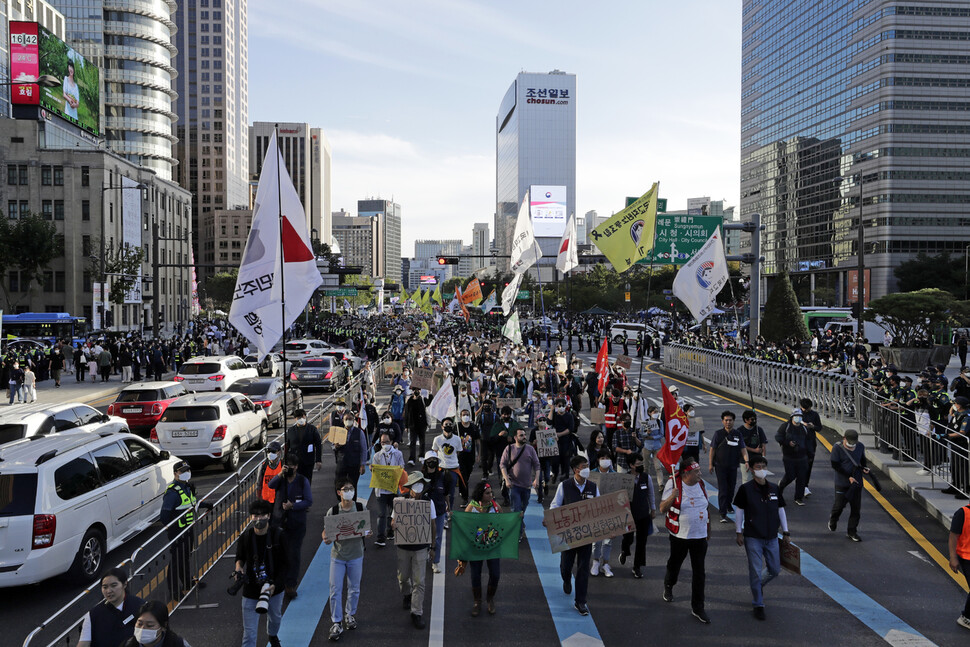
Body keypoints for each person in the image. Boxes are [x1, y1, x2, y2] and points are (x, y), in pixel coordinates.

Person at [732, 455, 791, 620]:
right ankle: (758, 603)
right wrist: (739, 532)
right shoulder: (746, 489)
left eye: (763, 466)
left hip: (772, 537)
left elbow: (781, 509)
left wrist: (785, 532)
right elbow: (739, 510)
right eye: (758, 467)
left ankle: (758, 586)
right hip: (753, 537)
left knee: (774, 569)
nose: (761, 469)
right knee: (756, 572)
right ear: (750, 469)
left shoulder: (774, 488)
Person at [660, 458, 711, 624]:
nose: (700, 474)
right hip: (680, 536)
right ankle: (669, 584)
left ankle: (698, 607)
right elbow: (662, 508)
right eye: (696, 472)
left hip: (699, 537)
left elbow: (706, 508)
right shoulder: (674, 484)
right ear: (686, 474)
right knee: (675, 564)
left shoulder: (701, 484)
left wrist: (708, 530)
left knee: (699, 573)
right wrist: (671, 497)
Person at [548, 455, 599, 616]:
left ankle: (581, 601)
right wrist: (550, 518)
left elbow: (599, 508)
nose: (586, 469)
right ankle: (566, 579)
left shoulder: (593, 487)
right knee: (566, 565)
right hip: (568, 536)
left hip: (586, 535)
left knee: (583, 569)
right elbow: (555, 505)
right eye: (584, 466)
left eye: (587, 466)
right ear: (576, 470)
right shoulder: (565, 486)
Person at [234, 499, 286, 647]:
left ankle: (272, 635)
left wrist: (276, 584)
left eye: (262, 515)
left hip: (274, 589)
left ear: (269, 516)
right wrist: (238, 567)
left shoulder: (278, 535)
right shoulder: (246, 537)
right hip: (251, 589)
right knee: (249, 635)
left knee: (275, 619)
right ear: (251, 517)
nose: (258, 519)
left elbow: (286, 563)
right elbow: (240, 557)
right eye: (255, 516)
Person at [323, 478, 368, 641]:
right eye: (345, 489)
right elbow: (326, 532)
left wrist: (367, 533)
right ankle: (336, 622)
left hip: (356, 555)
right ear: (339, 492)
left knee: (354, 587)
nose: (349, 491)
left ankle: (350, 614)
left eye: (351, 488)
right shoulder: (333, 511)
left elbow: (366, 529)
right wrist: (326, 538)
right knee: (335, 589)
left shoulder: (361, 508)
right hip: (338, 556)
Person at [159, 461, 211, 600]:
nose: (186, 473)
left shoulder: (186, 487)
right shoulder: (172, 492)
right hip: (178, 532)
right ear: (176, 473)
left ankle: (188, 583)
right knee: (176, 561)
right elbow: (164, 516)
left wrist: (206, 505)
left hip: (188, 529)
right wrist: (173, 529)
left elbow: (191, 503)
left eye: (187, 470)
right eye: (182, 471)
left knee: (185, 558)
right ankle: (175, 591)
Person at [393, 471, 437, 629]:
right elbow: (393, 520)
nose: (418, 489)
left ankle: (416, 612)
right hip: (403, 547)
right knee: (403, 577)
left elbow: (432, 525)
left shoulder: (428, 502)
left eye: (420, 485)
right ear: (410, 488)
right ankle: (407, 593)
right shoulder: (400, 502)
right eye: (415, 485)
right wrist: (393, 525)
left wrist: (432, 547)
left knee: (420, 581)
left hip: (420, 548)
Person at [268, 453, 313, 598]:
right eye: (287, 467)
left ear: (297, 467)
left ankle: (290, 584)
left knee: (294, 554)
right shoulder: (281, 480)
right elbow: (270, 485)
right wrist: (280, 474)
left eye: (292, 467)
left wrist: (293, 506)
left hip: (297, 524)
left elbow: (308, 501)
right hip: (279, 522)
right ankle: (278, 582)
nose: (289, 470)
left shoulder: (302, 481)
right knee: (279, 554)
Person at [463, 480, 503, 616]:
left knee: (495, 574)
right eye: (487, 493)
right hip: (476, 549)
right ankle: (477, 601)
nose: (491, 495)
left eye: (491, 492)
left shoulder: (496, 508)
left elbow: (503, 523)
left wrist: (516, 519)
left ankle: (490, 599)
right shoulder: (471, 508)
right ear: (480, 494)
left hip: (492, 547)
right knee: (475, 575)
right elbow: (464, 528)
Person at [77, 568, 144, 647]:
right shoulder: (93, 615)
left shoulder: (141, 606)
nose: (109, 591)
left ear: (125, 584)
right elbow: (84, 643)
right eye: (105, 587)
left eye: (114, 585)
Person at [619, 453, 656, 578]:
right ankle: (625, 551)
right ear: (631, 465)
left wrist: (653, 509)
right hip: (628, 516)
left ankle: (637, 566)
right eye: (638, 464)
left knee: (642, 542)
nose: (640, 466)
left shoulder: (646, 477)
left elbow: (651, 494)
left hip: (643, 515)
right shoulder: (625, 479)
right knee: (628, 539)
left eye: (641, 464)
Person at [500, 427, 540, 542]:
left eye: (524, 435)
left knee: (522, 509)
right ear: (515, 437)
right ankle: (518, 533)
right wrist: (506, 479)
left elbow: (537, 465)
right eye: (521, 435)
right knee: (516, 510)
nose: (524, 437)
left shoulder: (530, 449)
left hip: (527, 486)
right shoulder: (509, 449)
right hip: (514, 486)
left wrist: (536, 479)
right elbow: (502, 465)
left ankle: (520, 524)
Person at [828, 429, 869, 542]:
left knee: (856, 509)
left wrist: (864, 468)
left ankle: (852, 531)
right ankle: (833, 518)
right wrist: (848, 477)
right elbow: (835, 465)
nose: (852, 445)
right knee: (839, 506)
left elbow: (862, 460)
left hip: (856, 483)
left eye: (854, 443)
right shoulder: (837, 448)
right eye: (850, 442)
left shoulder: (860, 446)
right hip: (842, 482)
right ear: (844, 438)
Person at [709, 410, 749, 523]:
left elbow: (743, 449)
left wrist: (747, 461)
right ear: (722, 421)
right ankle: (722, 513)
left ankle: (728, 504)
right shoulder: (718, 434)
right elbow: (713, 449)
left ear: (733, 421)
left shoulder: (737, 434)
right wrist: (710, 464)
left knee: (731, 488)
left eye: (730, 420)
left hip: (733, 466)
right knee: (723, 489)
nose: (728, 422)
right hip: (720, 466)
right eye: (726, 420)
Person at [421, 450, 454, 574]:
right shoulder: (421, 477)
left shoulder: (443, 477)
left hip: (439, 511)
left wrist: (448, 507)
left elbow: (446, 494)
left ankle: (435, 561)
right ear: (425, 462)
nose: (432, 463)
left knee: (438, 537)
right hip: (423, 511)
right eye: (429, 461)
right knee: (423, 536)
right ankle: (423, 558)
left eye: (434, 461)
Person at [372, 430, 405, 547]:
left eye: (386, 442)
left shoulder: (398, 454)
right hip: (381, 489)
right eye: (382, 442)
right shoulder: (376, 456)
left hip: (394, 488)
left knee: (392, 512)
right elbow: (375, 473)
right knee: (381, 513)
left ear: (391, 441)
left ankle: (390, 531)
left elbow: (402, 467)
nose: (384, 444)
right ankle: (380, 538)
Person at [590, 448, 617, 578]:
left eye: (607, 458)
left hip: (610, 511)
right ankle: (595, 562)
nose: (605, 461)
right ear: (598, 460)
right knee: (596, 540)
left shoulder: (615, 475)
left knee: (608, 540)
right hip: (595, 511)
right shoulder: (592, 474)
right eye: (602, 458)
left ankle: (605, 564)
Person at [118, 600, 191, 647]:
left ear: (163, 626)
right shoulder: (127, 644)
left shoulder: (178, 644)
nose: (142, 629)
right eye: (139, 624)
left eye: (150, 625)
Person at [776, 411, 810, 505]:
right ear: (792, 417)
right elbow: (778, 437)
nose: (798, 418)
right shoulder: (785, 426)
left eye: (800, 416)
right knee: (790, 476)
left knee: (801, 477)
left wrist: (809, 454)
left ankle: (798, 498)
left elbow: (808, 441)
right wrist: (788, 443)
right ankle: (781, 486)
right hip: (789, 457)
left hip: (802, 457)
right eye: (796, 416)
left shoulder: (804, 428)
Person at [947, 501, 970, 630]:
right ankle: (966, 617)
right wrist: (953, 558)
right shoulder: (962, 513)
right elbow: (953, 536)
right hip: (966, 557)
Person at [432, 417, 464, 511]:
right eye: (446, 424)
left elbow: (458, 452)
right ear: (442, 427)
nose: (448, 426)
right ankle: (442, 510)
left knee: (451, 493)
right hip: (441, 469)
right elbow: (435, 452)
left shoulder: (457, 439)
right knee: (440, 491)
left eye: (450, 424)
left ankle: (449, 510)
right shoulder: (437, 439)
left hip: (453, 469)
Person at [334, 410, 369, 495]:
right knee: (338, 484)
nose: (348, 421)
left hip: (354, 464)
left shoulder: (359, 432)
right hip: (341, 463)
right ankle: (341, 502)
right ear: (343, 420)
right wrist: (336, 446)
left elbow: (364, 449)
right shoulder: (339, 432)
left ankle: (353, 503)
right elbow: (333, 446)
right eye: (346, 419)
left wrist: (363, 464)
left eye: (350, 419)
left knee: (353, 485)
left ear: (353, 420)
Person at [285, 409, 322, 483]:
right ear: (295, 419)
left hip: (308, 461)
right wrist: (285, 460)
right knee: (295, 481)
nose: (301, 419)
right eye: (298, 418)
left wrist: (318, 460)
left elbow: (318, 444)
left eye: (302, 417)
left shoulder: (312, 429)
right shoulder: (291, 430)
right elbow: (287, 446)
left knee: (307, 481)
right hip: (295, 462)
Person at [456, 408, 480, 504]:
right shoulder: (457, 427)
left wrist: (479, 454)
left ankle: (462, 490)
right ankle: (465, 498)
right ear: (460, 416)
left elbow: (477, 441)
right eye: (463, 414)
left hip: (471, 456)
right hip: (460, 456)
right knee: (463, 476)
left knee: (467, 475)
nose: (465, 416)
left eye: (467, 414)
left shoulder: (473, 427)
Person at [798, 398, 822, 495]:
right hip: (799, 444)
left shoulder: (814, 415)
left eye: (807, 409)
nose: (804, 410)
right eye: (803, 408)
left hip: (810, 444)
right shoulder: (797, 414)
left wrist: (813, 427)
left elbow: (819, 428)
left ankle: (805, 486)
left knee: (808, 466)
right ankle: (785, 482)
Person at [739, 410, 766, 483]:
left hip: (758, 460)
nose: (754, 421)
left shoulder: (758, 430)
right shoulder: (740, 431)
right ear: (746, 420)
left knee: (760, 479)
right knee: (747, 480)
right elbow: (742, 446)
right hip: (745, 460)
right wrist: (755, 450)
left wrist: (763, 458)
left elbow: (763, 444)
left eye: (755, 419)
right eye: (752, 419)